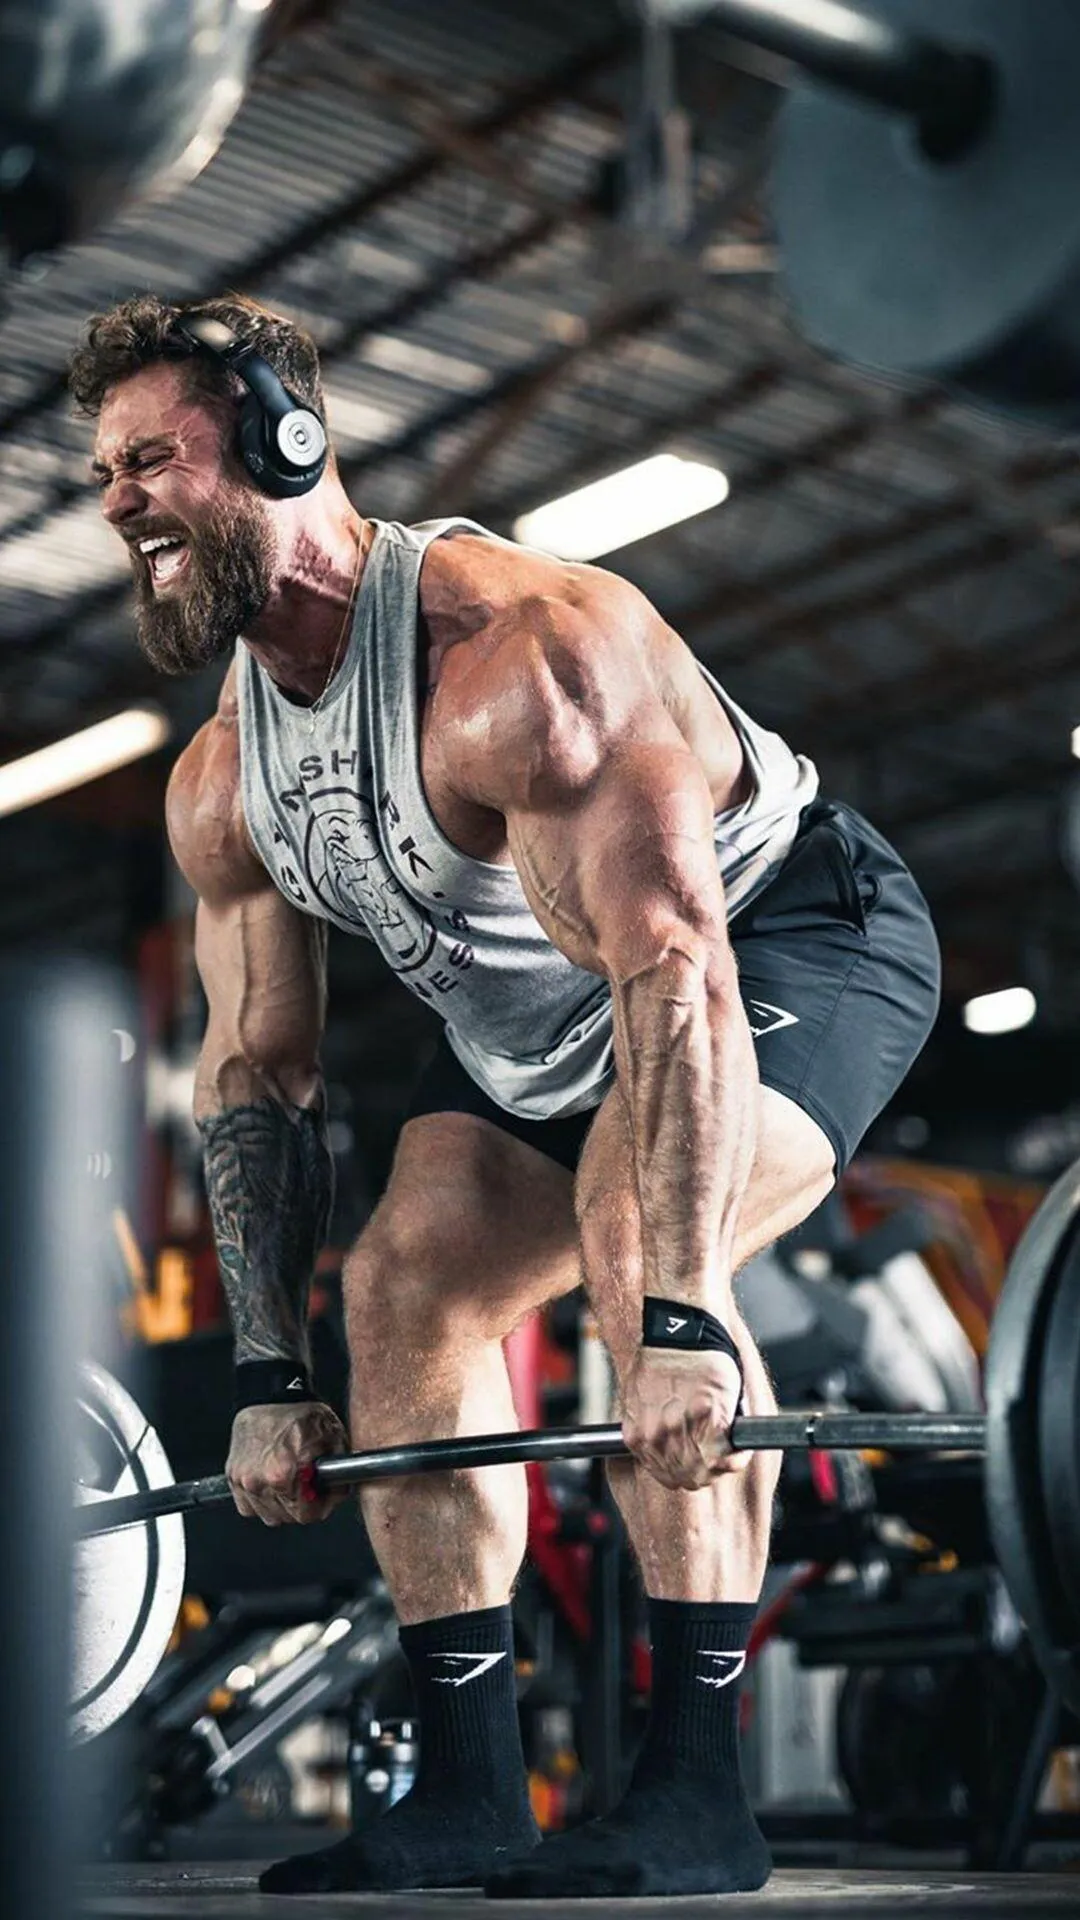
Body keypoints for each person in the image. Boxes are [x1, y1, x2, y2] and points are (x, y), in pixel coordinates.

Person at [71, 293, 941, 1899]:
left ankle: (696, 1793)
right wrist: (269, 1366)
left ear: (283, 439)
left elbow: (675, 964)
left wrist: (676, 1318)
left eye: (149, 458)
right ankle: (468, 1790)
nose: (114, 501)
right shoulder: (227, 779)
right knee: (403, 1290)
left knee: (632, 1227)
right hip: (545, 1025)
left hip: (782, 939)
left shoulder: (515, 657)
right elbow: (256, 1068)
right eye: (101, 471)